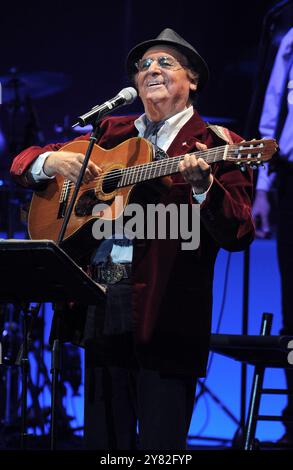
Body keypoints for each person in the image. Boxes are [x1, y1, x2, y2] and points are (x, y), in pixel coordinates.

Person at [10, 28, 255, 450]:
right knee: (105, 444)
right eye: (143, 65)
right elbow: (21, 163)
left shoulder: (217, 144)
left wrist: (203, 189)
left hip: (166, 310)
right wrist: (53, 162)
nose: (151, 70)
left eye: (165, 62)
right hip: (98, 299)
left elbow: (238, 230)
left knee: (161, 450)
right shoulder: (108, 133)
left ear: (192, 80)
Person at [252, 27, 293, 446]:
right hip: (291, 179)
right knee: (292, 307)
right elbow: (272, 110)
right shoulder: (290, 38)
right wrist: (261, 186)